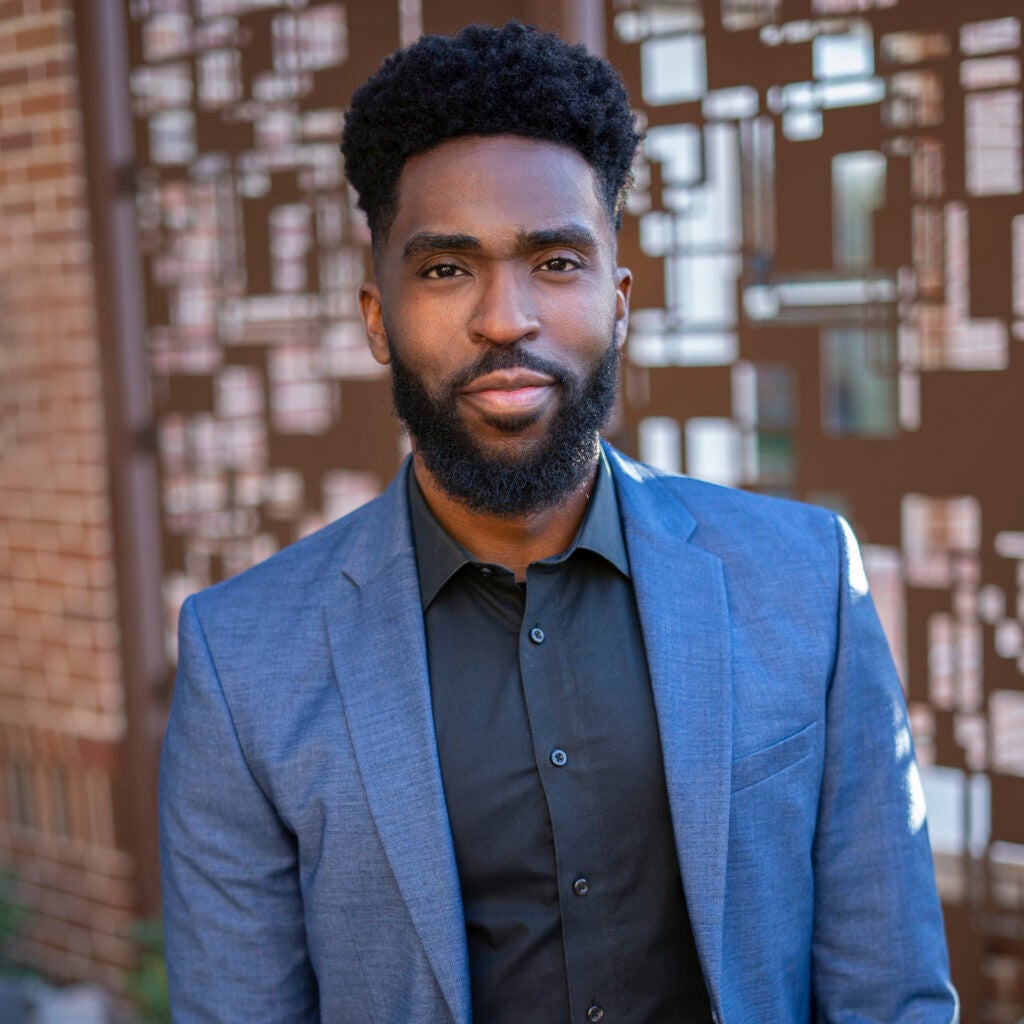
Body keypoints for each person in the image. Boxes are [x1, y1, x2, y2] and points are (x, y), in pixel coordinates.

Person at [158, 21, 958, 1024]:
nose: (505, 318)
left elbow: (888, 994)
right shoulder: (244, 661)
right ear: (376, 315)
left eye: (555, 262)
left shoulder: (802, 581)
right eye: (447, 268)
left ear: (618, 300)